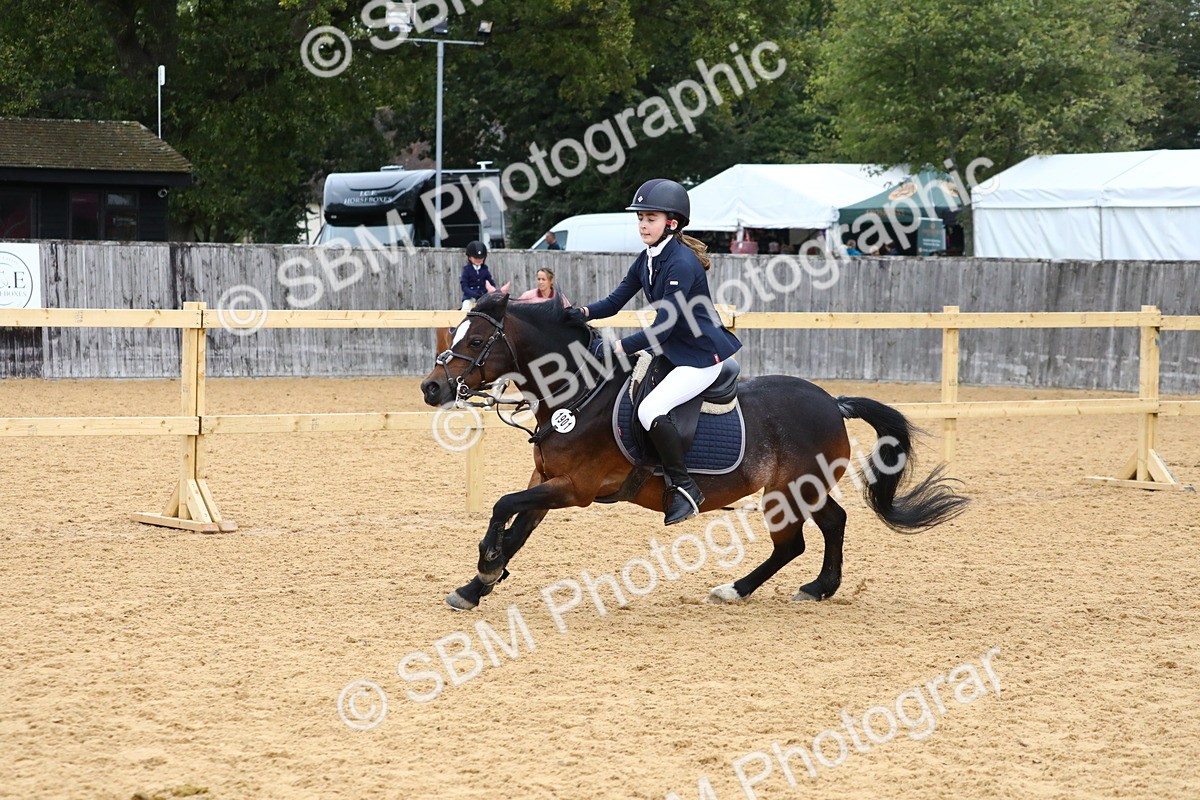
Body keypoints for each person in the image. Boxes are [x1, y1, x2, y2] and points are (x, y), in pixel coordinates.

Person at [567, 178, 741, 526]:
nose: (643, 225)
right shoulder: (648, 258)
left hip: (700, 356)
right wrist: (582, 313)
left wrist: (617, 347)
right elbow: (616, 300)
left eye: (651, 218)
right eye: (640, 218)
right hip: (675, 351)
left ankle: (685, 485)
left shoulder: (680, 263)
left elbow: (664, 325)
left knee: (650, 408)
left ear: (671, 223)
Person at [459, 241, 495, 311]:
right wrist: (473, 293)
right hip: (470, 297)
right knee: (466, 306)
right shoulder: (467, 270)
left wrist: (488, 292)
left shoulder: (485, 270)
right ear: (469, 258)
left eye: (480, 258)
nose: (478, 260)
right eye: (476, 258)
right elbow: (464, 286)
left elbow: (491, 283)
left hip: (483, 297)